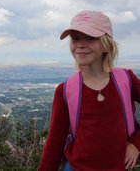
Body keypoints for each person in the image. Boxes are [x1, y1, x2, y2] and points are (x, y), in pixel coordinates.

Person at [38, 10, 140, 171]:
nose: (80, 44)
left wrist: (136, 144)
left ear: (106, 45)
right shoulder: (65, 91)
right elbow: (54, 145)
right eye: (75, 38)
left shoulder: (126, 80)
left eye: (91, 38)